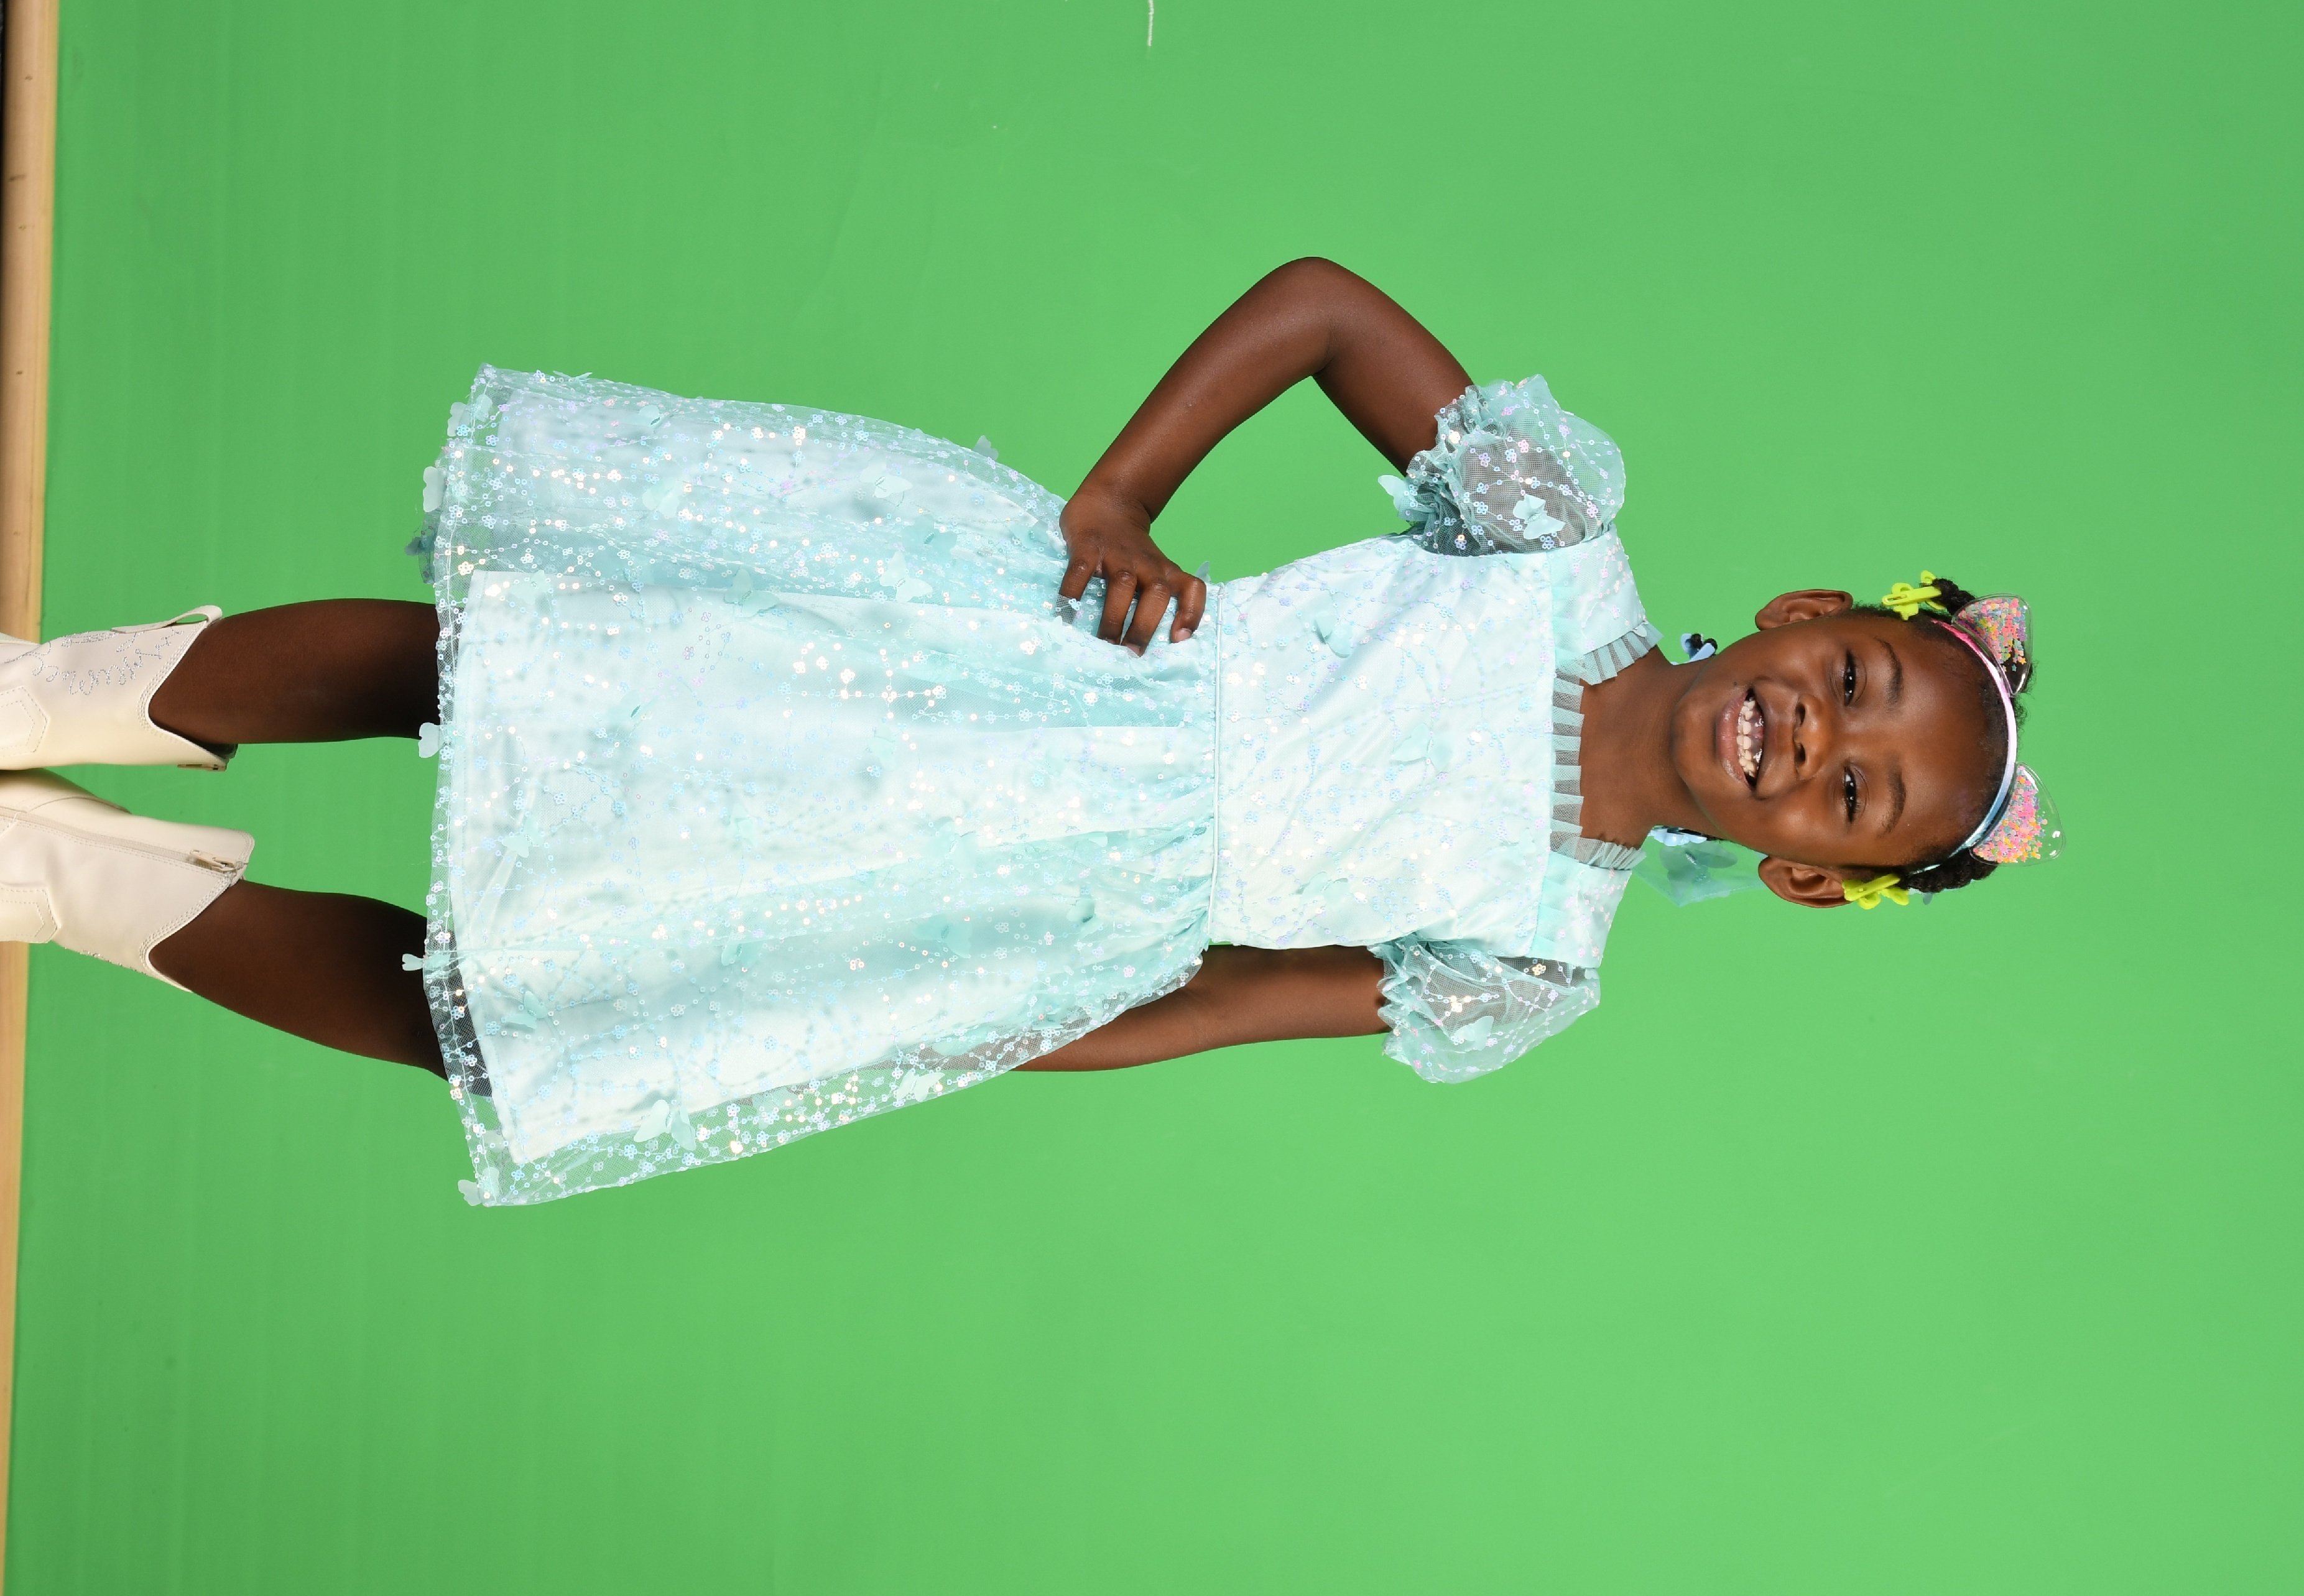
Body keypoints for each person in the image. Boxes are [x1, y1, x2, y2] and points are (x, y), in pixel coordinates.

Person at [0, 259, 2056, 1204]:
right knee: (516, 670)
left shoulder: (1534, 955)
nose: (1814, 740)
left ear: (1812, 878)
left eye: (1854, 799)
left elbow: (1235, 1000)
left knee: (528, 1017)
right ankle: (44, 695)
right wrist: (1121, 501)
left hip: (990, 901)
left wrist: (993, 1021)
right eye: (1855, 685)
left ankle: (65, 883)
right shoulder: (1547, 536)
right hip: (1010, 653)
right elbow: (1326, 308)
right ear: (1808, 614)